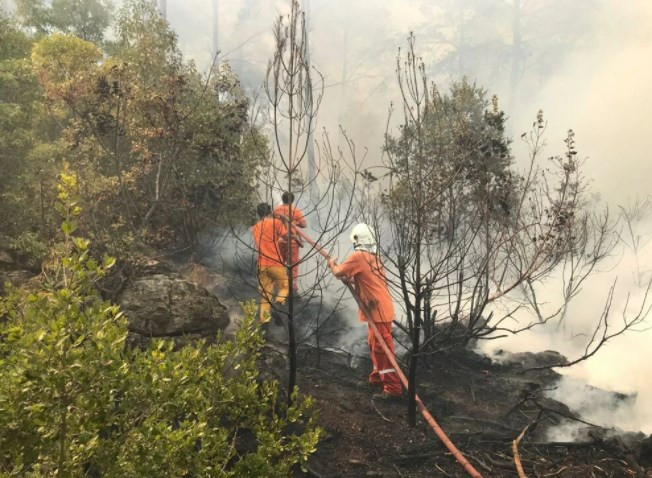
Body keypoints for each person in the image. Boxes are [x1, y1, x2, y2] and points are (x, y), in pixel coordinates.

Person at [328, 223, 403, 400]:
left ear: (357, 240)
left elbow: (339, 272)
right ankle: (377, 378)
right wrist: (350, 280)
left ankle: (393, 388)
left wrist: (332, 264)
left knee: (383, 349)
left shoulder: (359, 256)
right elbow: (368, 281)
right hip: (379, 308)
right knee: (374, 345)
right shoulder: (374, 258)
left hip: (379, 310)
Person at [252, 202, 289, 325]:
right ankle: (279, 304)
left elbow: (267, 240)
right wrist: (285, 221)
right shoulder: (276, 223)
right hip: (275, 263)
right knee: (285, 286)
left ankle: (264, 322)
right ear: (270, 212)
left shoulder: (255, 227)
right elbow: (287, 236)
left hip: (262, 265)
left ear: (258, 214)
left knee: (265, 295)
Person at [273, 191, 306, 292]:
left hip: (279, 240)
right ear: (292, 201)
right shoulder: (295, 211)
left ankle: (277, 284)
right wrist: (295, 223)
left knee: (280, 262)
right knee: (293, 264)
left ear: (282, 199)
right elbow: (304, 225)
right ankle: (292, 285)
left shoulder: (276, 210)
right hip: (292, 241)